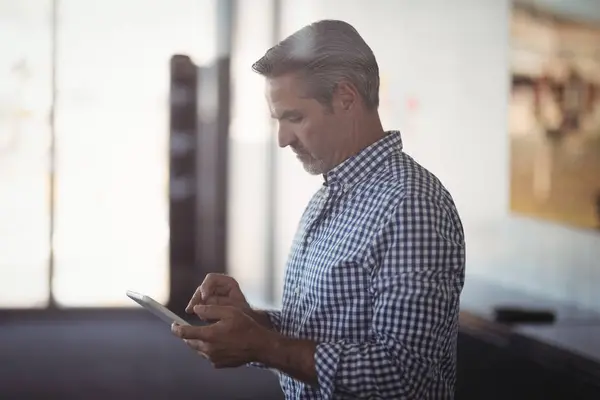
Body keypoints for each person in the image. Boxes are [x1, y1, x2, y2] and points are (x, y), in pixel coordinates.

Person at [172, 19, 466, 399]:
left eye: (295, 118)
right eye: (278, 120)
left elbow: (402, 375)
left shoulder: (411, 206)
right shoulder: (329, 196)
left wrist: (261, 345)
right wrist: (251, 323)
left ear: (345, 98)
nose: (282, 139)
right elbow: (323, 331)